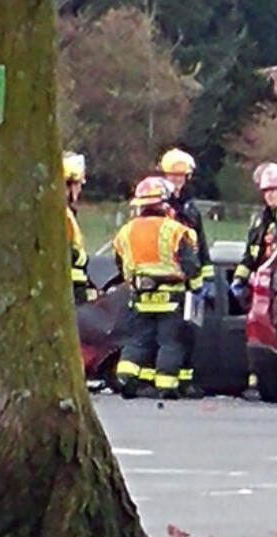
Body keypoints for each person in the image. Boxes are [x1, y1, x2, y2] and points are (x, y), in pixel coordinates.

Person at [112, 176, 201, 400]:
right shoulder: (176, 231)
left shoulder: (126, 231)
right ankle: (166, 386)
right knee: (170, 342)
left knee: (138, 341)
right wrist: (196, 289)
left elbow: (120, 263)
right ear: (165, 204)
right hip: (172, 296)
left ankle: (125, 379)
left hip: (140, 295)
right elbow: (191, 266)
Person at [235, 162, 277, 400]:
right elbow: (251, 252)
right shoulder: (261, 219)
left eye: (275, 191)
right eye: (266, 192)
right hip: (261, 283)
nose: (270, 196)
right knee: (256, 331)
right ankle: (255, 381)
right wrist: (240, 278)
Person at [159, 148, 211, 399]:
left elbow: (200, 246)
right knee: (167, 334)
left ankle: (186, 381)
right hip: (167, 278)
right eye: (172, 177)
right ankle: (165, 382)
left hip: (190, 279)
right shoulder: (157, 206)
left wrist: (205, 278)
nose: (177, 182)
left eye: (181, 177)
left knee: (188, 332)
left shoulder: (191, 209)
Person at [63, 152, 91, 304]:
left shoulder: (67, 213)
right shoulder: (62, 215)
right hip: (70, 289)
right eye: (79, 185)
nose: (79, 190)